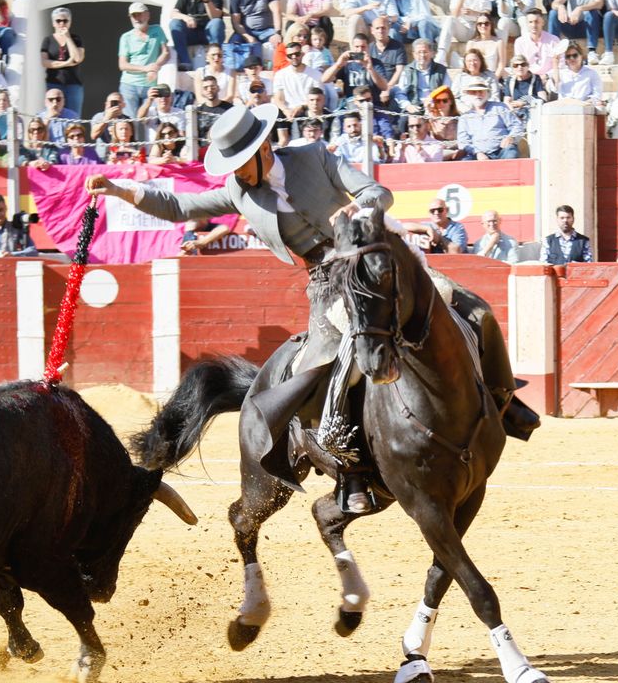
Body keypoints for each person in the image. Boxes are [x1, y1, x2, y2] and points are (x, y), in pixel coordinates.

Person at [85, 102, 538, 513]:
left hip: (374, 255)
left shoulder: (313, 157)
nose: (239, 174)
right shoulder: (239, 193)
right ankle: (353, 467)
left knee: (476, 311)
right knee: (326, 363)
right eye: (234, 168)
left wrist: (358, 211)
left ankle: (501, 401)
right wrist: (118, 190)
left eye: (243, 164)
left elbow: (378, 193)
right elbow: (179, 205)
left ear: (264, 148)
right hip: (329, 284)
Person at [118, 1, 169, 116]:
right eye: (133, 15)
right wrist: (146, 69)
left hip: (150, 84)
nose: (136, 18)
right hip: (129, 85)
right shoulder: (126, 37)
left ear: (147, 15)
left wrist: (155, 67)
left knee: (150, 119)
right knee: (130, 121)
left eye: (139, 14)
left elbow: (166, 52)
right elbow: (122, 65)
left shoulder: (157, 30)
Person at [455, 74, 523, 158]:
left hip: (502, 151)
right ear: (468, 94)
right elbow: (463, 142)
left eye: (481, 91)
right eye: (474, 92)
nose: (477, 95)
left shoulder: (500, 108)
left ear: (487, 93)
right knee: (464, 161)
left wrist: (511, 138)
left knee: (511, 153)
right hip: (477, 155)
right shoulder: (465, 117)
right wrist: (477, 153)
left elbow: (517, 126)